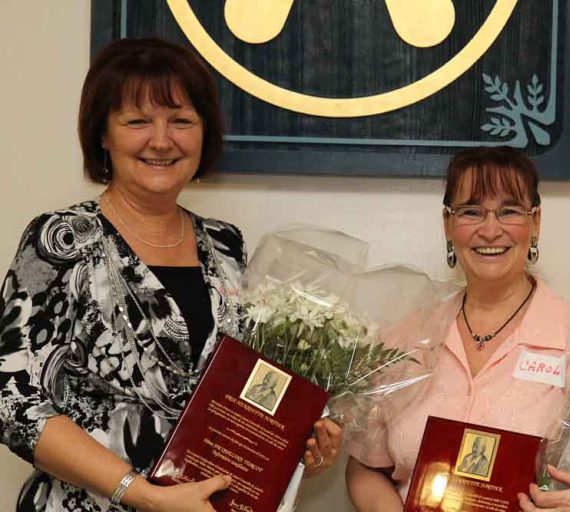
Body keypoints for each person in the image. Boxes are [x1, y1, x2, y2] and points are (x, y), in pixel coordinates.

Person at [0, 37, 340, 512]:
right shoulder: (60, 240)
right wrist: (143, 496)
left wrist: (298, 442)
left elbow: (240, 396)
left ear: (205, 133)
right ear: (103, 134)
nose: (161, 140)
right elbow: (14, 403)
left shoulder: (227, 246)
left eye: (181, 120)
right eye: (137, 121)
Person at [345, 146, 570, 511]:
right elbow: (366, 465)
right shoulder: (406, 336)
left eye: (509, 210)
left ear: (535, 221)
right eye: (471, 211)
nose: (490, 230)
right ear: (448, 223)